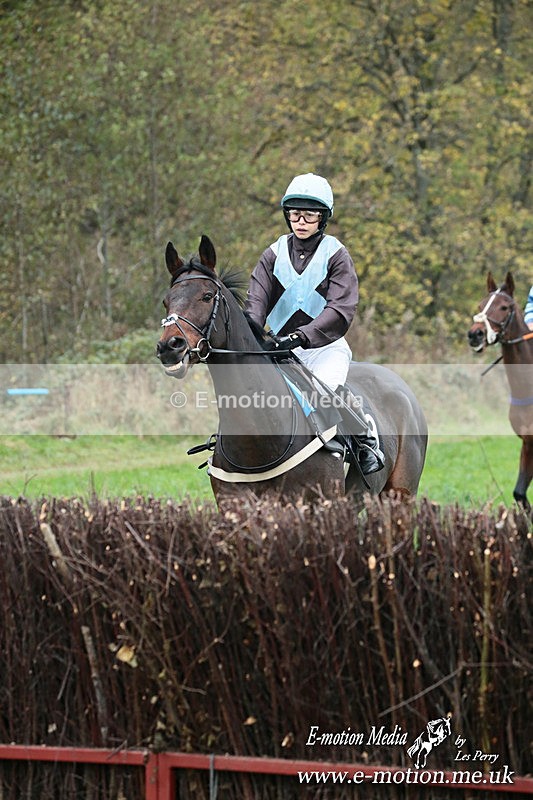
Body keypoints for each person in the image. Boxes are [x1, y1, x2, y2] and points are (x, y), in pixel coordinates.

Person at [244, 172, 384, 474]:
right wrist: (252, 335)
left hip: (325, 349)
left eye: (309, 215)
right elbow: (256, 301)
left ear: (323, 218)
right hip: (280, 351)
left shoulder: (336, 254)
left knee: (324, 394)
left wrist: (301, 336)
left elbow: (341, 308)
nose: (301, 221)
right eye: (295, 214)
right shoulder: (272, 254)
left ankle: (364, 442)